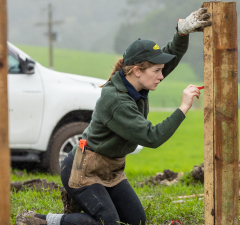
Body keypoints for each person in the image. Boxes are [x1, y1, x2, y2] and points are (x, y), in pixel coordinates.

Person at [17, 6, 211, 225]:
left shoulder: (138, 82)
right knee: (107, 222)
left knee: (137, 220)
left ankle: (83, 209)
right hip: (83, 169)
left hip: (111, 169)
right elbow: (152, 137)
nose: (161, 75)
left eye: (160, 70)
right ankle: (42, 220)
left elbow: (169, 59)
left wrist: (181, 31)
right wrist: (184, 106)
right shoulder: (117, 100)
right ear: (138, 70)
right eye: (157, 71)